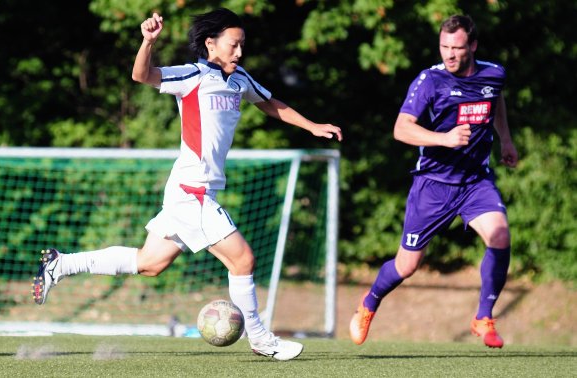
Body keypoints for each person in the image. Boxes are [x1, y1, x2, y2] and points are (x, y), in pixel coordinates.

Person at [32, 8, 342, 361]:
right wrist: (148, 42)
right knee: (242, 259)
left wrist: (313, 126)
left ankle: (61, 265)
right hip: (189, 192)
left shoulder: (240, 79)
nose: (239, 52)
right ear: (211, 44)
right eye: (233, 45)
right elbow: (141, 75)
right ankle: (260, 339)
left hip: (197, 191)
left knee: (150, 262)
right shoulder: (192, 75)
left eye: (242, 45)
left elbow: (272, 104)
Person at [349, 15, 517, 349]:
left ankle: (483, 317)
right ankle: (369, 302)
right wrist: (444, 139)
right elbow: (401, 128)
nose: (449, 55)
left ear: (472, 46)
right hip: (433, 183)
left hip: (474, 181)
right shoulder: (429, 81)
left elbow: (495, 100)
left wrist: (506, 140)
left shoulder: (494, 74)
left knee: (499, 235)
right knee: (408, 265)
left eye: (456, 48)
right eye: (444, 47)